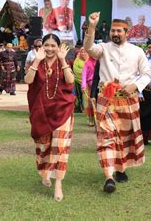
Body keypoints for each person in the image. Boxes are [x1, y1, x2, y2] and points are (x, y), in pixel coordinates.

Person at [84, 13, 151, 193]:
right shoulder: (103, 48)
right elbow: (88, 48)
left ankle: (121, 168)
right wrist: (92, 26)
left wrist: (135, 85)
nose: (115, 33)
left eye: (119, 31)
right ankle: (109, 176)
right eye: (113, 30)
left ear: (126, 32)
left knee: (124, 136)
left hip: (128, 99)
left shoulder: (137, 51)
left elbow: (147, 74)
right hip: (106, 99)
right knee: (106, 137)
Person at [24, 34, 75, 202]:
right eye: (47, 45)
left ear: (58, 47)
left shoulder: (63, 61)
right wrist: (37, 61)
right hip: (41, 111)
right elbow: (28, 80)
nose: (50, 49)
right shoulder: (37, 62)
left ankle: (58, 184)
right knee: (43, 146)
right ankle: (45, 172)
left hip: (63, 110)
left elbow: (71, 81)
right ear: (41, 46)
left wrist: (63, 60)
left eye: (53, 45)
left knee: (60, 148)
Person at [81, 55, 97, 126]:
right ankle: (91, 119)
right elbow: (84, 75)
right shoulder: (87, 63)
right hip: (90, 85)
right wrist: (83, 86)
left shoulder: (101, 61)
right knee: (91, 103)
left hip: (100, 86)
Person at [72, 48, 88, 113]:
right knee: (80, 96)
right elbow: (76, 70)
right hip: (78, 82)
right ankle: (81, 108)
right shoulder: (77, 61)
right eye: (82, 52)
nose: (83, 54)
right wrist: (85, 72)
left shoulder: (89, 60)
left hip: (89, 82)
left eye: (85, 52)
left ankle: (88, 109)